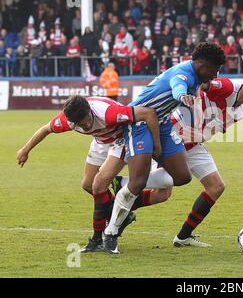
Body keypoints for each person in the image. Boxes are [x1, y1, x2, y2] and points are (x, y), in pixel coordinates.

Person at [111, 68, 243, 248]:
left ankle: (182, 237)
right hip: (173, 134)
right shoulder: (227, 87)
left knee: (216, 187)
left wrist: (198, 135)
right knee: (163, 193)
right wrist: (194, 109)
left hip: (193, 144)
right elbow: (201, 84)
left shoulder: (239, 113)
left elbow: (210, 132)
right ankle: (125, 191)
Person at [102, 42, 225, 254]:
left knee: (182, 177)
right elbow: (178, 86)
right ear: (203, 64)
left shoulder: (197, 74)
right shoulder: (183, 73)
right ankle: (110, 232)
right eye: (215, 70)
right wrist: (182, 96)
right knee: (139, 182)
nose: (215, 75)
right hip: (138, 122)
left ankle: (122, 183)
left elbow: (197, 87)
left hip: (162, 122)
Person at [16, 95, 161, 252]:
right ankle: (119, 212)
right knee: (87, 185)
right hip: (100, 141)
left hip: (120, 139)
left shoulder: (107, 112)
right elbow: (45, 129)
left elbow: (147, 113)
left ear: (90, 111)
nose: (85, 125)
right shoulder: (68, 120)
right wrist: (25, 150)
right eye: (80, 123)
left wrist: (156, 145)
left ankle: (97, 239)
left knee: (98, 185)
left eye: (87, 120)